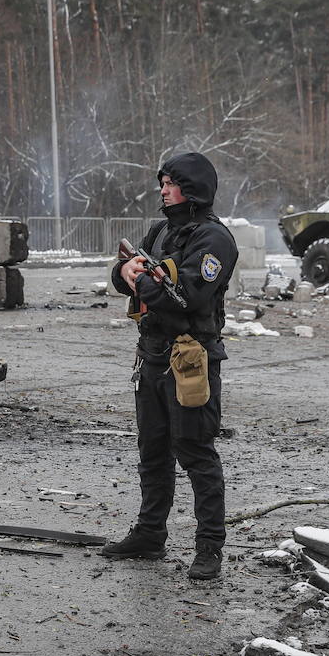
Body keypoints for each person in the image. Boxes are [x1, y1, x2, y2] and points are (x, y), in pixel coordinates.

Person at [101, 152, 238, 580]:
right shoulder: (160, 231)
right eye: (161, 182)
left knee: (196, 451)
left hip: (191, 359)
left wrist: (136, 276)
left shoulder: (215, 240)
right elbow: (123, 275)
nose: (162, 189)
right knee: (153, 451)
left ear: (192, 189)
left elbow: (188, 295)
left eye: (171, 183)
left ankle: (209, 547)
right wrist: (126, 269)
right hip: (153, 355)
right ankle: (149, 533)